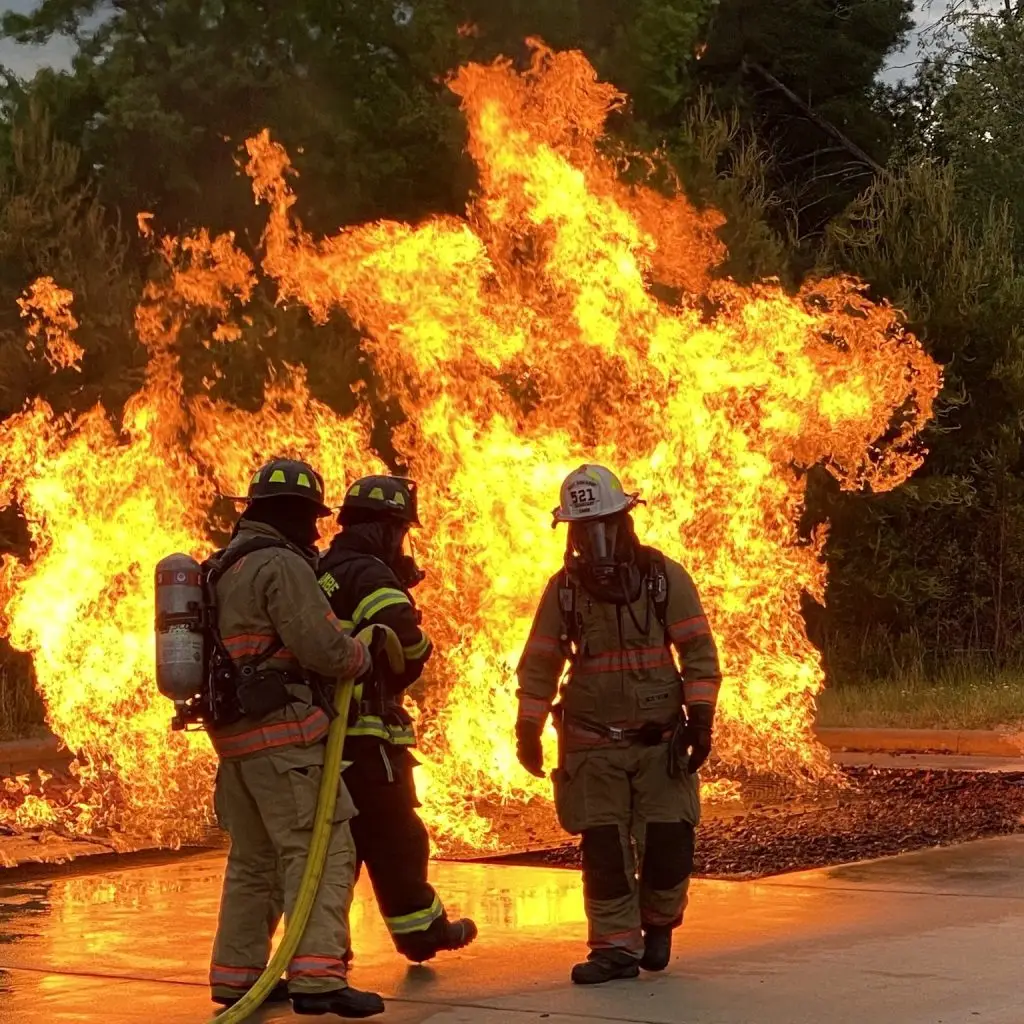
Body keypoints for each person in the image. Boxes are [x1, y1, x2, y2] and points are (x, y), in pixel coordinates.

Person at [515, 464, 722, 986]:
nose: (597, 541)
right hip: (590, 745)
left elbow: (697, 650)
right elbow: (540, 662)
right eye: (585, 530)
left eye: (605, 526)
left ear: (626, 520)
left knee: (671, 842)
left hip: (661, 745)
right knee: (603, 850)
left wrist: (700, 720)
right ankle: (614, 949)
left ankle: (657, 924)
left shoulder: (662, 578)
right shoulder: (563, 591)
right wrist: (528, 726)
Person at [206, 457, 385, 1018]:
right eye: (311, 520)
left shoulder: (219, 567)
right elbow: (321, 647)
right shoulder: (280, 565)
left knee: (253, 862)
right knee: (324, 853)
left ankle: (236, 977)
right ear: (292, 514)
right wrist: (363, 654)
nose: (315, 532)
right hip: (284, 743)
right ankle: (318, 978)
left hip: (236, 745)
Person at [316, 474, 478, 963]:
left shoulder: (321, 569)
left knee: (333, 854)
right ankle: (420, 932)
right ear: (387, 529)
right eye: (401, 532)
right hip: (366, 739)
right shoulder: (369, 574)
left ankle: (323, 954)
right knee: (397, 839)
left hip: (319, 739)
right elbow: (407, 647)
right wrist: (419, 634)